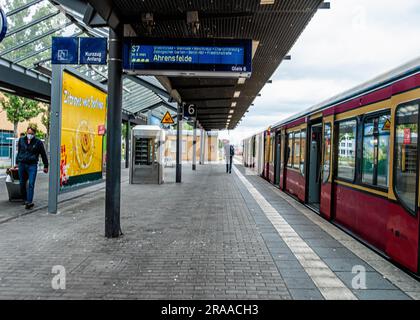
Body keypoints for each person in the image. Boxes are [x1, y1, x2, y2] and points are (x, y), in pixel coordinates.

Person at [16, 126, 48, 209]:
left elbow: (43, 154)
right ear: (26, 132)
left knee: (31, 183)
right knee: (22, 183)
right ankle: (25, 199)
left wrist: (46, 165)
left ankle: (29, 202)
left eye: (32, 134)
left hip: (32, 165)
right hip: (22, 164)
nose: (30, 135)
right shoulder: (21, 140)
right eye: (28, 133)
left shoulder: (38, 142)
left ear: (34, 134)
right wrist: (17, 163)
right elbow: (19, 152)